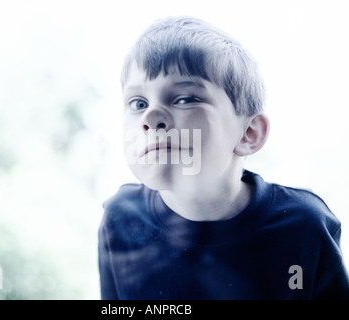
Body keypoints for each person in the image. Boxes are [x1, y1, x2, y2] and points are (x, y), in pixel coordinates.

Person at [98, 16, 349, 299]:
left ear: (248, 134)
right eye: (138, 103)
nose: (151, 116)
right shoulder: (119, 218)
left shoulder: (305, 226)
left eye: (184, 98)